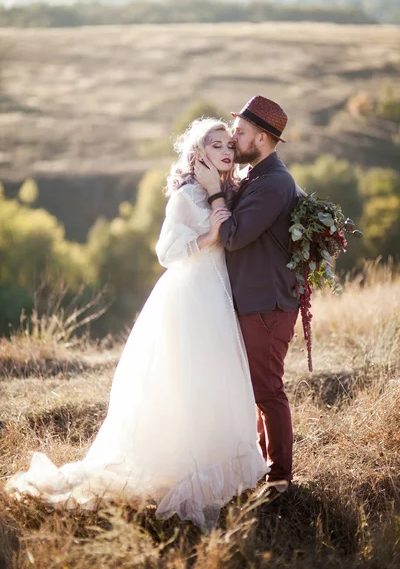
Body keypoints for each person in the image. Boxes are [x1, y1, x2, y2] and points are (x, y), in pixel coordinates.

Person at [6, 118, 267, 530]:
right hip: (189, 294)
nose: (226, 151)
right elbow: (166, 251)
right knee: (184, 379)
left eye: (228, 146)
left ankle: (216, 460)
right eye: (216, 145)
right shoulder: (185, 196)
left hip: (217, 295)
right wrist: (207, 238)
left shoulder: (224, 191)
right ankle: (178, 464)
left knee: (214, 379)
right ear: (198, 154)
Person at [194, 96, 305, 498]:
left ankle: (279, 477)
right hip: (255, 301)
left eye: (239, 132)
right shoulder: (259, 176)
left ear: (260, 138)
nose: (233, 138)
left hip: (267, 305)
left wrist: (214, 195)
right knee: (257, 389)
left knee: (267, 390)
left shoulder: (273, 181)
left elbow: (236, 235)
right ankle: (263, 467)